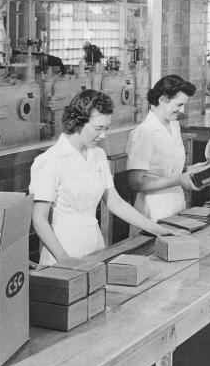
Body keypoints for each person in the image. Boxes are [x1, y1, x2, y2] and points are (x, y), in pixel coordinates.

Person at [30, 90, 182, 265]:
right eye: (98, 128)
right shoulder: (50, 160)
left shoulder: (98, 155)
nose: (103, 135)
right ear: (77, 123)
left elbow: (115, 202)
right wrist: (63, 259)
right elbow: (39, 218)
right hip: (63, 249)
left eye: (106, 128)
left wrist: (156, 229)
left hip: (95, 244)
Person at [126, 75, 198, 223]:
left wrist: (192, 170)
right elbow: (136, 182)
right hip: (153, 209)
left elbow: (168, 170)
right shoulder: (145, 132)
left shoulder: (173, 126)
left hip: (176, 203)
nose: (182, 110)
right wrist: (178, 179)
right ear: (162, 99)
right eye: (179, 105)